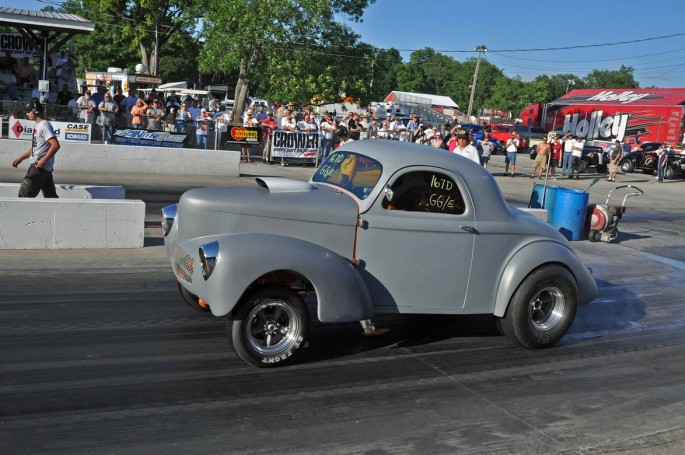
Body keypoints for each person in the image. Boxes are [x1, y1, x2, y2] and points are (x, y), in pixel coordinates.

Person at [12, 105, 60, 198]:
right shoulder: (38, 125)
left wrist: (43, 160)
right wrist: (20, 158)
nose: (27, 114)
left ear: (36, 111)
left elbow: (55, 145)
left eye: (29, 111)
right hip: (44, 169)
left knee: (24, 195)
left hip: (39, 168)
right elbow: (36, 147)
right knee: (51, 198)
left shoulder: (44, 125)